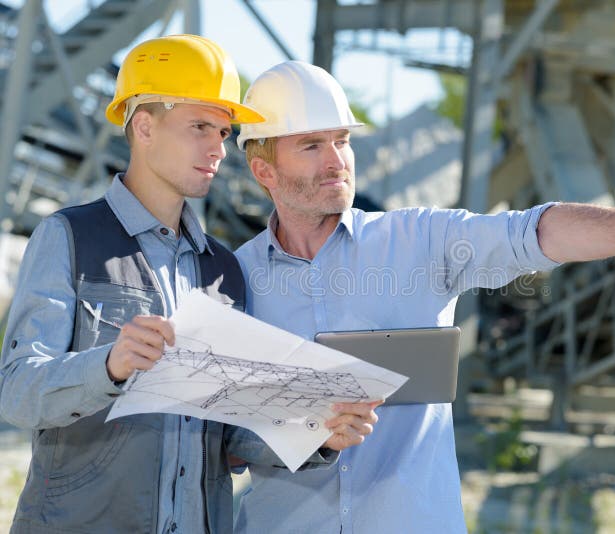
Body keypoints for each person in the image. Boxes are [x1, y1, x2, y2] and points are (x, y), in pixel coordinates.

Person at [232, 60, 615, 533]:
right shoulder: (233, 281)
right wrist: (309, 432)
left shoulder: (420, 242)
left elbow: (537, 232)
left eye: (342, 140)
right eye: (311, 145)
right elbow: (222, 439)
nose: (337, 160)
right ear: (264, 171)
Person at [0, 38, 377, 534]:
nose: (218, 148)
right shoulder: (69, 238)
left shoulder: (224, 270)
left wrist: (317, 431)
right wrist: (109, 366)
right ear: (144, 126)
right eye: (199, 126)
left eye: (223, 130)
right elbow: (18, 391)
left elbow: (227, 437)